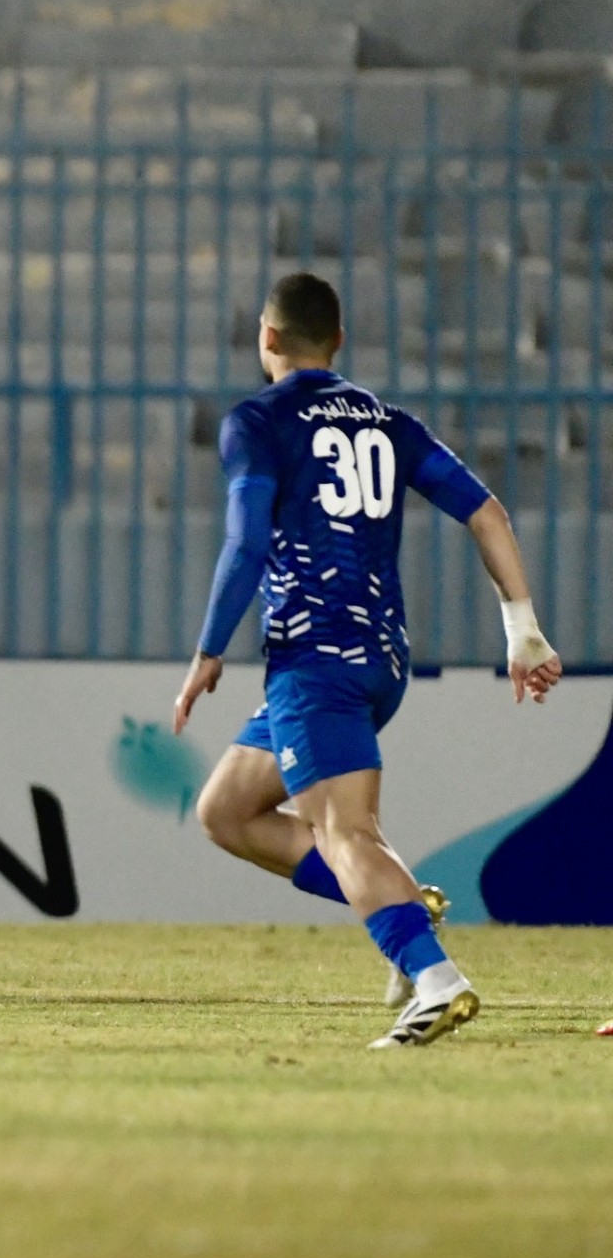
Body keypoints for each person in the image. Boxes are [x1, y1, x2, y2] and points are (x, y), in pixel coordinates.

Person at [172, 272, 562, 1049]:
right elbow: (486, 512)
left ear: (267, 338)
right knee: (226, 811)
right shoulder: (389, 422)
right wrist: (522, 628)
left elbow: (247, 542)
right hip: (381, 658)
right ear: (338, 342)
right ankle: (405, 904)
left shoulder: (257, 421)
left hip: (313, 660)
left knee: (344, 832)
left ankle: (435, 979)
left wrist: (209, 650)